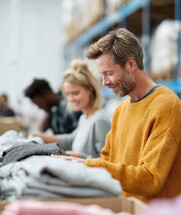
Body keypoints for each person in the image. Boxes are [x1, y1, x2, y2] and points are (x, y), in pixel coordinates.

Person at [53, 28, 181, 203]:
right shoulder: (120, 111)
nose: (105, 82)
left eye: (109, 73)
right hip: (129, 213)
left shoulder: (166, 105)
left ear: (130, 64)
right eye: (102, 75)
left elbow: (151, 178)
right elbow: (107, 161)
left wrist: (89, 165)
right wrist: (78, 160)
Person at [34, 59, 111, 159]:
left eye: (75, 93)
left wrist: (79, 156)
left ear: (90, 90)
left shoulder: (100, 120)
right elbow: (71, 140)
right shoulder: (84, 118)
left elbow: (106, 161)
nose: (70, 99)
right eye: (67, 94)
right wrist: (38, 137)